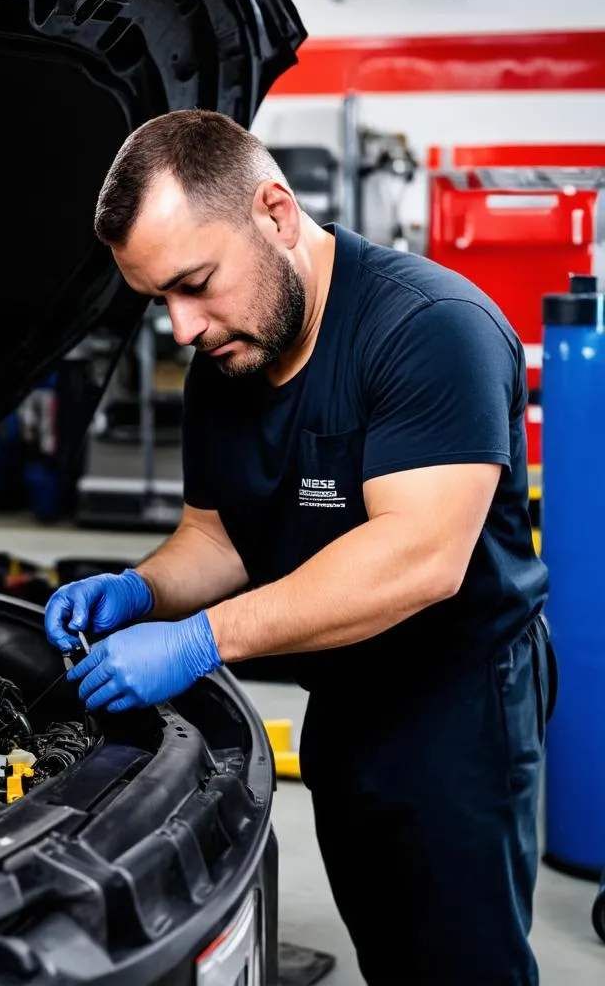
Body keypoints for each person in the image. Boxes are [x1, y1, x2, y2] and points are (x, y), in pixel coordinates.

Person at [44, 109, 551, 986]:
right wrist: (138, 590)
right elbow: (218, 537)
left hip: (457, 706)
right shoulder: (228, 360)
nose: (182, 328)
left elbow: (419, 558)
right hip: (343, 693)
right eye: (160, 299)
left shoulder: (429, 328)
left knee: (465, 964)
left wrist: (201, 641)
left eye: (196, 282)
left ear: (275, 212)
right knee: (390, 946)